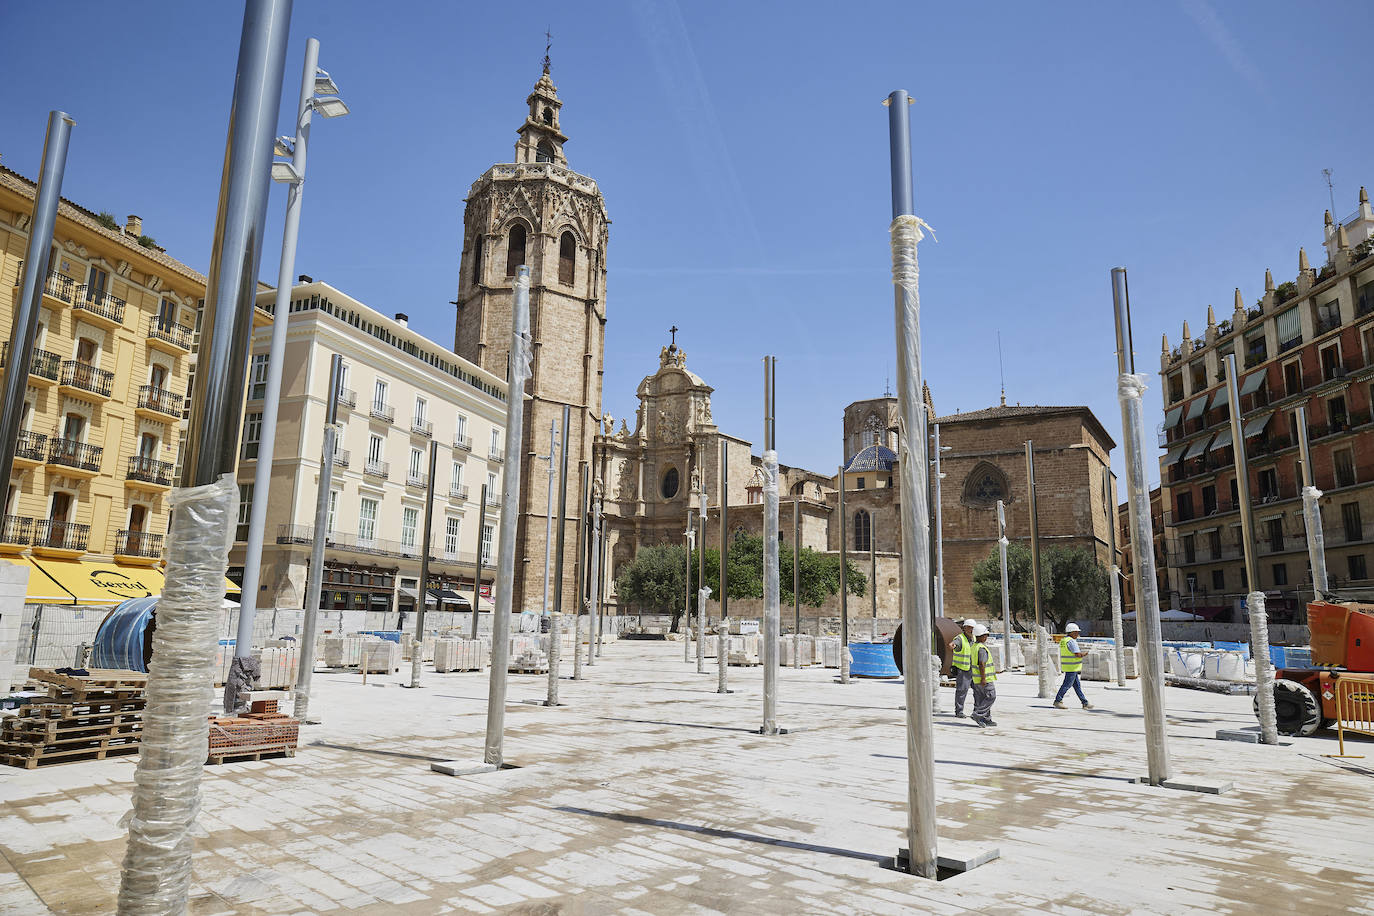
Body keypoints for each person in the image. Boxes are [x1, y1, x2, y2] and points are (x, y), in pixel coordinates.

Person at [1053, 622, 1093, 709]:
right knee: (1066, 685)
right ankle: (1058, 700)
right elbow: (1077, 654)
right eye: (1076, 632)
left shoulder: (1064, 640)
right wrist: (1084, 654)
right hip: (1072, 667)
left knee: (1077, 686)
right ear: (1071, 632)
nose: (1077, 634)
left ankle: (1085, 702)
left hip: (1069, 667)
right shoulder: (1071, 641)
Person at [949, 618, 976, 717]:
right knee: (962, 691)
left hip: (974, 669)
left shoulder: (975, 638)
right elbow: (954, 644)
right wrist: (953, 645)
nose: (971, 630)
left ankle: (977, 711)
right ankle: (959, 711)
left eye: (972, 628)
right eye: (969, 627)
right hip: (964, 670)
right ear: (964, 628)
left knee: (978, 691)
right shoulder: (960, 638)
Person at [971, 624, 997, 727]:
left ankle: (986, 719)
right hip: (984, 679)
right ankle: (978, 714)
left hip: (976, 679)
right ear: (981, 636)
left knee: (982, 699)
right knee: (991, 696)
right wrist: (983, 678)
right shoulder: (981, 648)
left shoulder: (974, 647)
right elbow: (982, 664)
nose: (986, 637)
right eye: (985, 635)